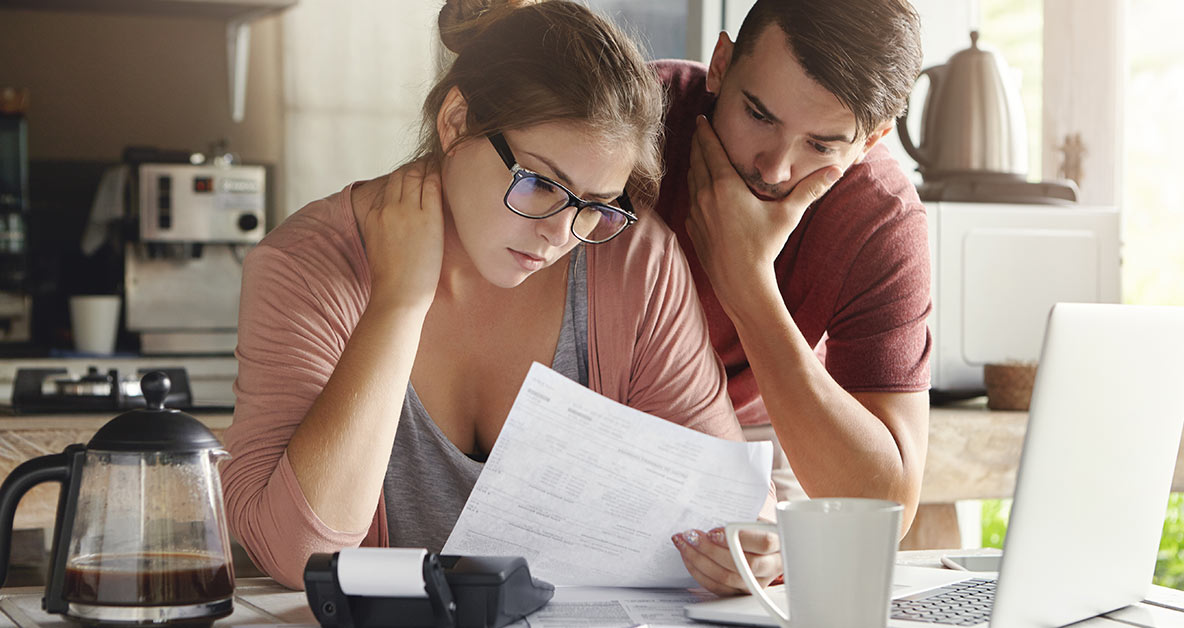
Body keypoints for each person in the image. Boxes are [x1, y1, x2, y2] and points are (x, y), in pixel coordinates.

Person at [220, 0, 778, 592]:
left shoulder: (632, 258)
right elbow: (295, 554)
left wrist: (752, 548)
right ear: (457, 121)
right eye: (539, 183)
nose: (559, 235)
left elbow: (726, 504)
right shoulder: (306, 266)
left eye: (593, 206)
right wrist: (398, 303)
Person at [659, 0, 932, 594]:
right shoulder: (635, 119)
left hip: (763, 429)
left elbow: (885, 507)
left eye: (822, 145)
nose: (777, 168)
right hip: (590, 404)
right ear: (721, 64)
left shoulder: (880, 218)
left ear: (871, 140)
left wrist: (747, 283)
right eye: (759, 115)